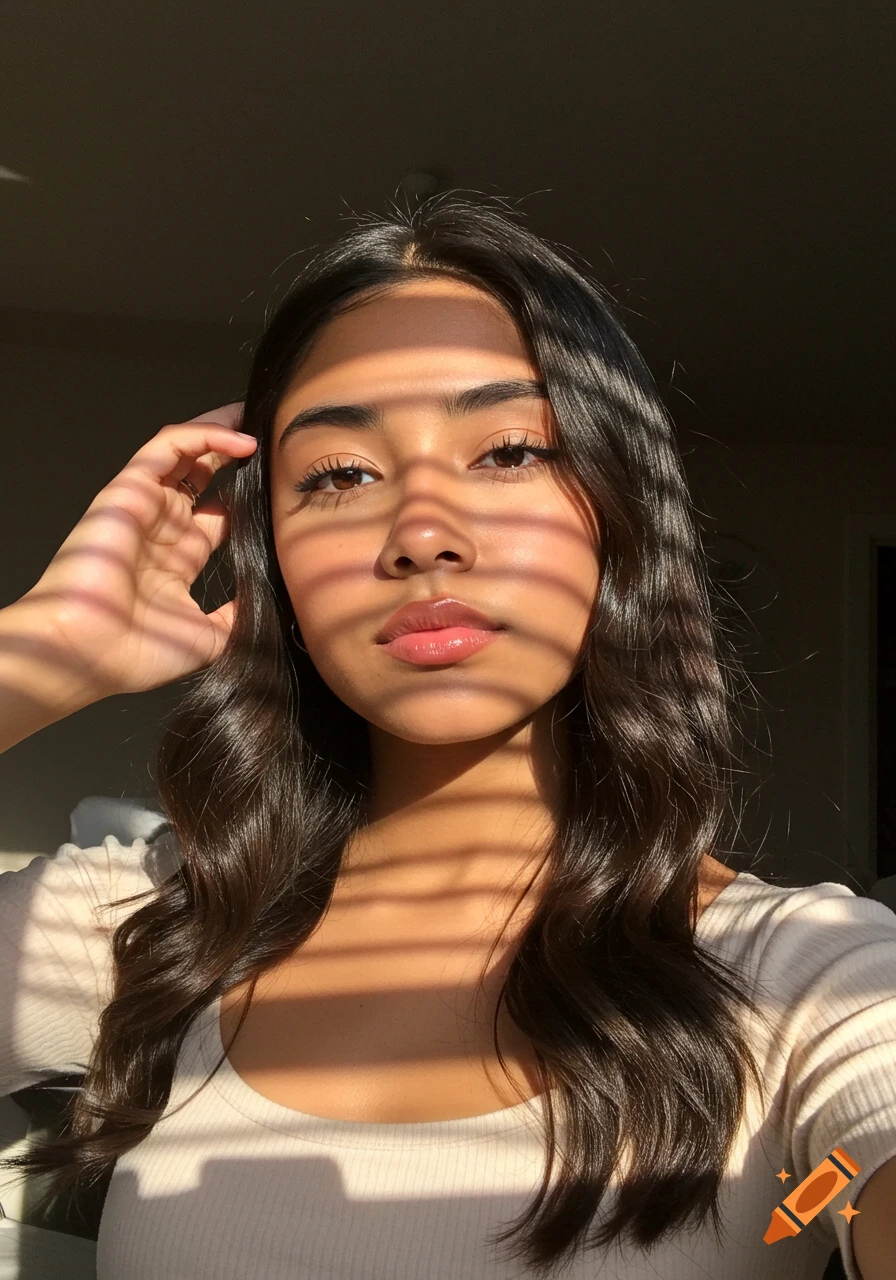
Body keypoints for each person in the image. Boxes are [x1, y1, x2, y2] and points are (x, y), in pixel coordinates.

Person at [0, 195, 894, 1280]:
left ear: (615, 515)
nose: (421, 530)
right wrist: (39, 651)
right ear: (270, 553)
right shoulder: (149, 932)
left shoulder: (811, 977)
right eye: (336, 476)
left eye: (509, 450)